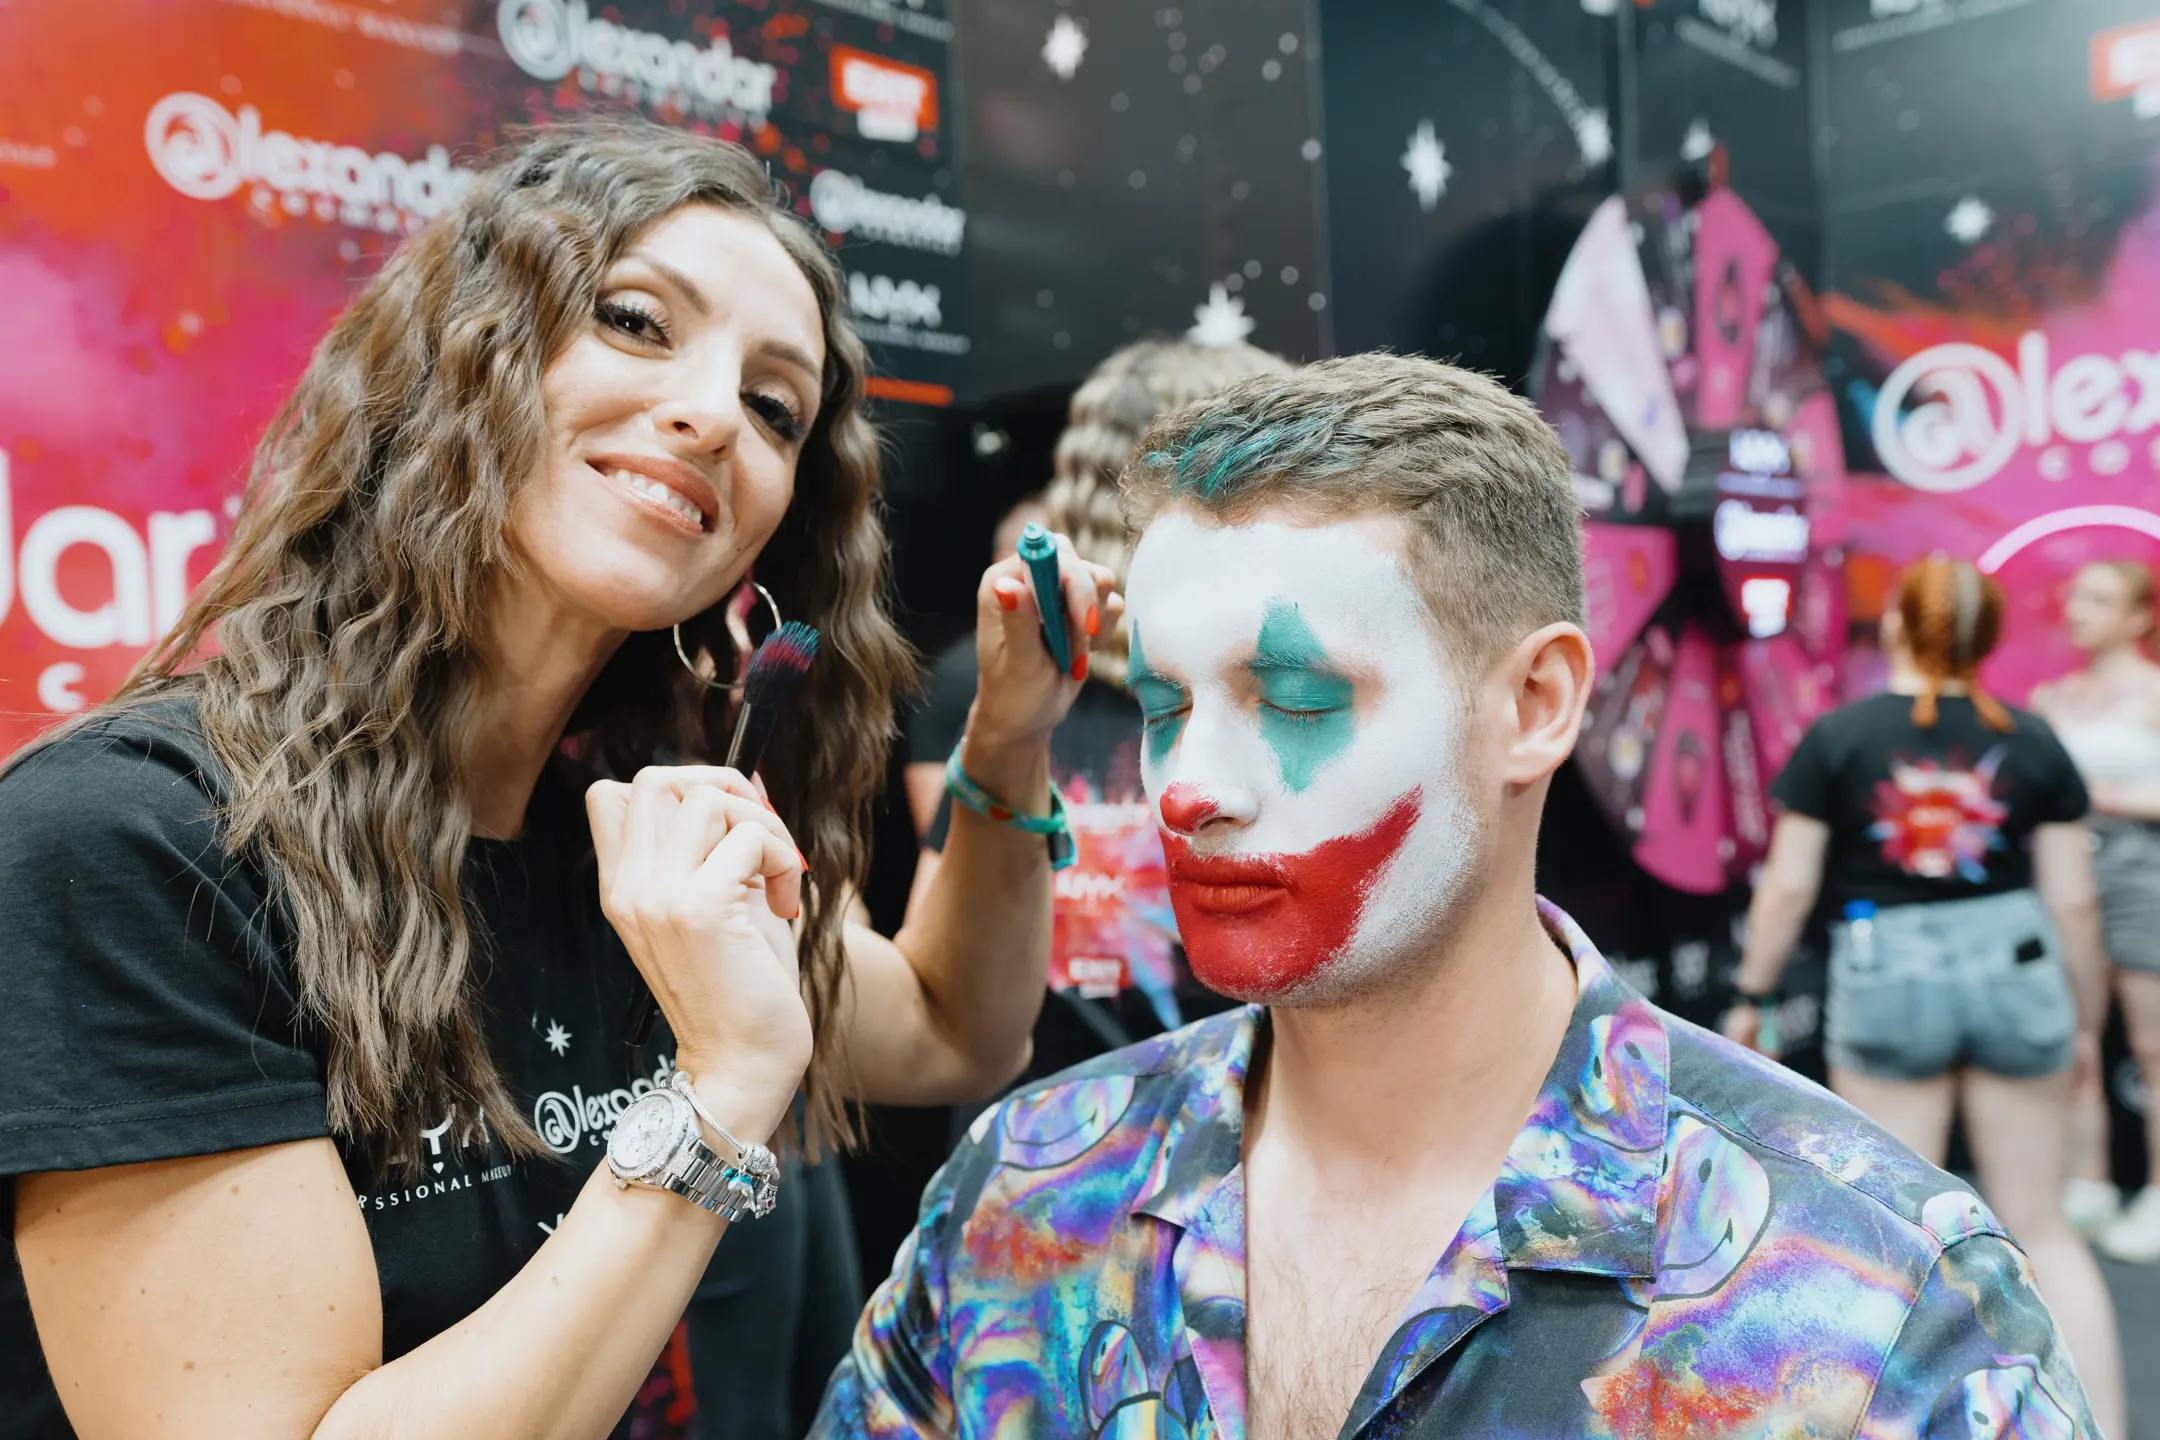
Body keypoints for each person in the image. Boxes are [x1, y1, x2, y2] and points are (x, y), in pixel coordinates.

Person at [0, 118, 1121, 1439]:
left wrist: (1007, 741)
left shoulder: (631, 840)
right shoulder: (134, 842)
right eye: (637, 323)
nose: (714, 415)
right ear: (462, 357)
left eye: (775, 407)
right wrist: (720, 1092)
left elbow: (952, 1027)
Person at [816, 356, 2100, 1439]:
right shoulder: (1028, 1192)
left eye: (1297, 700)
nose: (1187, 786)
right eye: (1164, 705)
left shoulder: (1873, 1296)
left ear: (1533, 705)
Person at [1722, 554, 2122, 1435]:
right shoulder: (2033, 737)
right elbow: (2073, 900)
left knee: (1891, 1236)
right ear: (1988, 636)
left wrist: (1752, 993)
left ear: (1899, 626)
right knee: (2045, 1229)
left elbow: (1787, 886)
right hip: (2018, 969)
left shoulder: (1841, 734)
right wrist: (2087, 1024)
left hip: (1887, 975)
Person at [903, 340, 1290, 1106]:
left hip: (1236, 1107)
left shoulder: (1281, 685)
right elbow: (940, 961)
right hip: (1035, 1124)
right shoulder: (1009, 677)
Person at [2034, 559, 2160, 1264]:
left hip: (2143, 873)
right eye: (2077, 596)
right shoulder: (2052, 696)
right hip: (2060, 874)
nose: (2079, 610)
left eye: (2100, 599)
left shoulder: (2154, 690)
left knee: (2153, 1044)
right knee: (2072, 1035)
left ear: (2139, 616)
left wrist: (2106, 798)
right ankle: (2087, 1183)